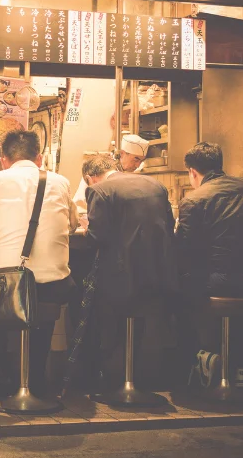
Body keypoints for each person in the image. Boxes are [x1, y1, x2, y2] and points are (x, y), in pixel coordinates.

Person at [0, 130, 77, 396]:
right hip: (54, 286)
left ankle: (0, 380)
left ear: (4, 159)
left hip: (9, 285)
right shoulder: (61, 182)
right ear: (39, 158)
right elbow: (73, 225)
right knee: (43, 311)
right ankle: (36, 381)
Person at [74, 154, 177, 390]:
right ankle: (135, 378)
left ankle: (109, 377)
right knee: (138, 313)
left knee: (95, 309)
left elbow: (97, 239)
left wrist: (87, 226)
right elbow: (169, 227)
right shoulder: (156, 185)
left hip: (121, 279)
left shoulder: (99, 190)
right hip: (160, 273)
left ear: (90, 178)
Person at [176, 142, 243, 388]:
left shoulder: (193, 200)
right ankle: (237, 366)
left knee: (178, 291)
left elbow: (183, 249)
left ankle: (205, 356)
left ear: (192, 172)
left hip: (216, 282)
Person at [73, 133, 149, 220]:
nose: (138, 165)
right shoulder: (100, 171)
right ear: (122, 154)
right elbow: (80, 206)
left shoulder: (131, 174)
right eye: (136, 159)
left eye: (141, 161)